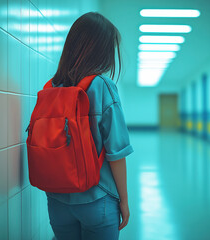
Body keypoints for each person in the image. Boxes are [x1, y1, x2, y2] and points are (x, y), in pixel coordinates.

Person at [45, 12, 134, 240]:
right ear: (102, 50)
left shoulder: (53, 87)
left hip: (56, 201)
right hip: (97, 199)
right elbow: (116, 152)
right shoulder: (103, 86)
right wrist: (124, 200)